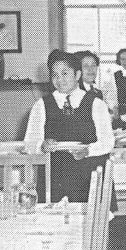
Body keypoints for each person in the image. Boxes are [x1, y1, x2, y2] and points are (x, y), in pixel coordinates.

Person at [24, 50, 114, 203]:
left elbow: (107, 142)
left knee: (91, 224)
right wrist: (42, 146)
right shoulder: (42, 105)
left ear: (77, 75)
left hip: (89, 175)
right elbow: (29, 142)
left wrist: (88, 151)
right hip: (55, 176)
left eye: (65, 74)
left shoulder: (96, 104)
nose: (60, 80)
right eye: (55, 75)